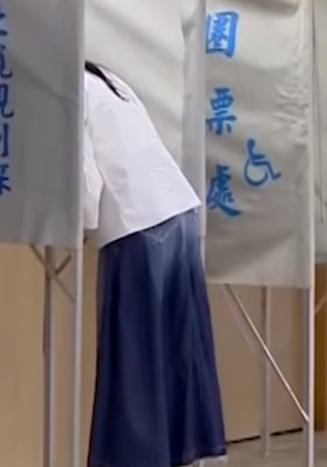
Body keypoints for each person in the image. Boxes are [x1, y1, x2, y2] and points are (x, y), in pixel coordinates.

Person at [82, 61, 227, 467]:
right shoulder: (109, 81)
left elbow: (86, 192)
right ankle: (186, 453)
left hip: (137, 224)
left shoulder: (70, 94)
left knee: (136, 361)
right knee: (178, 351)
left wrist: (73, 231)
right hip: (179, 211)